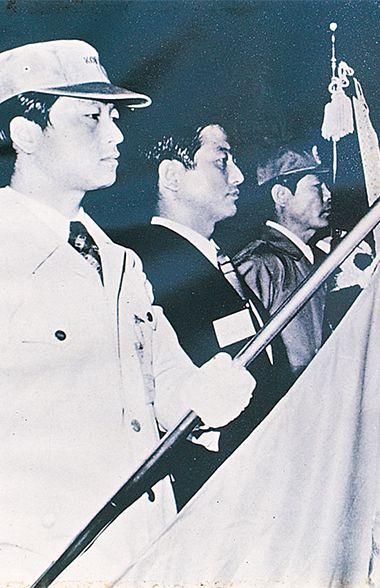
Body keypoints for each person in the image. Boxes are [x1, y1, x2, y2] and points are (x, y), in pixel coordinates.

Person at [0, 40, 256, 585]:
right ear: (26, 134)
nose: (116, 135)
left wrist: (204, 394)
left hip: (149, 553)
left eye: (113, 118)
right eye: (92, 118)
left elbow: (164, 384)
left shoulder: (121, 263)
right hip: (49, 568)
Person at [115, 124, 293, 510]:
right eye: (221, 161)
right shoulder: (147, 267)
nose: (238, 176)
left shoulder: (212, 260)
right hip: (216, 493)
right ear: (172, 176)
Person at [234, 146, 332, 377]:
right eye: (317, 186)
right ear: (281, 195)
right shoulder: (258, 265)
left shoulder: (316, 258)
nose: (328, 194)